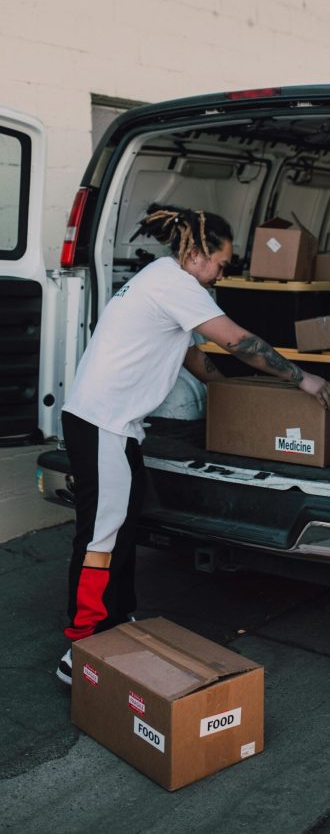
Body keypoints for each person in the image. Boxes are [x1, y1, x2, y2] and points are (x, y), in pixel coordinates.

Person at [56, 204, 330, 685]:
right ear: (199, 253)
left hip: (111, 426)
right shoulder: (175, 284)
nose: (219, 275)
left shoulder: (159, 278)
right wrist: (301, 378)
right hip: (103, 425)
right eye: (221, 264)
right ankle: (81, 645)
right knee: (100, 537)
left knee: (120, 527)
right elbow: (237, 341)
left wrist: (236, 399)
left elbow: (194, 359)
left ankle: (117, 620)